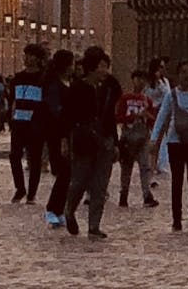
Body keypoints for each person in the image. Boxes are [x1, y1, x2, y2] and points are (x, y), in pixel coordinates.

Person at [64, 46, 122, 241]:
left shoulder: (110, 87)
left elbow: (111, 117)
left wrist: (115, 142)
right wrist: (66, 141)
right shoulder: (77, 88)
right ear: (91, 67)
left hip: (105, 140)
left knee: (100, 185)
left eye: (106, 66)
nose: (104, 70)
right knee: (79, 181)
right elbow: (67, 117)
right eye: (101, 66)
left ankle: (94, 226)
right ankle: (69, 210)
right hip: (84, 140)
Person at [150, 59, 188, 232]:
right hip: (175, 141)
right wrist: (154, 138)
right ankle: (176, 219)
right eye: (183, 72)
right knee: (177, 180)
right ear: (178, 75)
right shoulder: (171, 95)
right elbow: (162, 115)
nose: (186, 75)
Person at [8, 43, 46, 204]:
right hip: (19, 121)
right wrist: (11, 118)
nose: (27, 58)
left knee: (34, 158)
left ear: (37, 58)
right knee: (14, 156)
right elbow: (12, 99)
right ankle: (20, 188)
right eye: (26, 55)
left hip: (36, 122)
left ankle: (32, 193)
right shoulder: (17, 78)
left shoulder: (44, 78)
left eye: (30, 55)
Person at [116, 68, 158, 209]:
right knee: (126, 168)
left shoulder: (148, 101)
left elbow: (153, 120)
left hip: (143, 137)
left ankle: (147, 195)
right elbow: (118, 117)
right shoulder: (125, 98)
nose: (140, 82)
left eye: (142, 80)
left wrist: (148, 117)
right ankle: (123, 194)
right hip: (128, 137)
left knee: (145, 166)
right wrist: (133, 117)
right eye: (137, 79)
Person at [43, 48, 74, 228]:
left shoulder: (68, 82)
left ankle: (59, 208)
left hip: (67, 131)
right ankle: (51, 208)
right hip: (55, 132)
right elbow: (54, 109)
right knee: (64, 171)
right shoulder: (54, 85)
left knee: (68, 173)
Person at [143, 57, 171, 178]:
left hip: (160, 111)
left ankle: (161, 164)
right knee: (150, 137)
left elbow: (167, 95)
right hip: (149, 111)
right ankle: (150, 163)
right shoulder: (147, 82)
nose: (163, 70)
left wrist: (159, 83)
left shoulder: (164, 82)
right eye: (161, 67)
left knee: (161, 138)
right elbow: (145, 95)